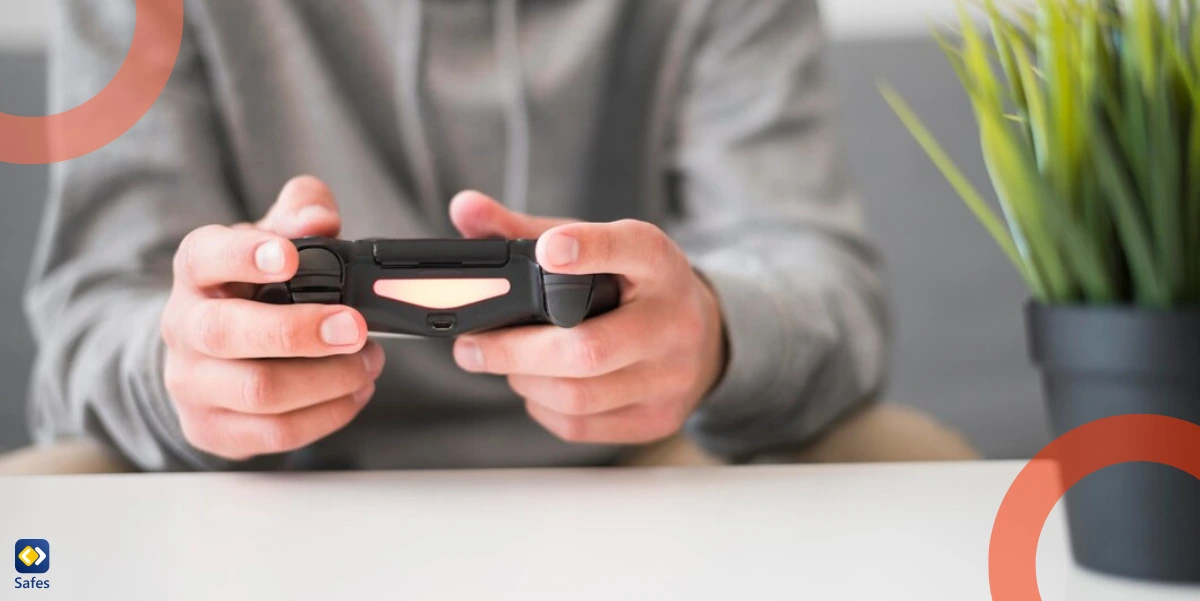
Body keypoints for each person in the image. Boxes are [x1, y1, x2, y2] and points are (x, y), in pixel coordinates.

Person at [4, 0, 977, 474]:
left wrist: (713, 330)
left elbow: (825, 276)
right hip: (263, 466)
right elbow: (88, 317)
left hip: (644, 448)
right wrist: (188, 367)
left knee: (912, 456)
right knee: (40, 504)